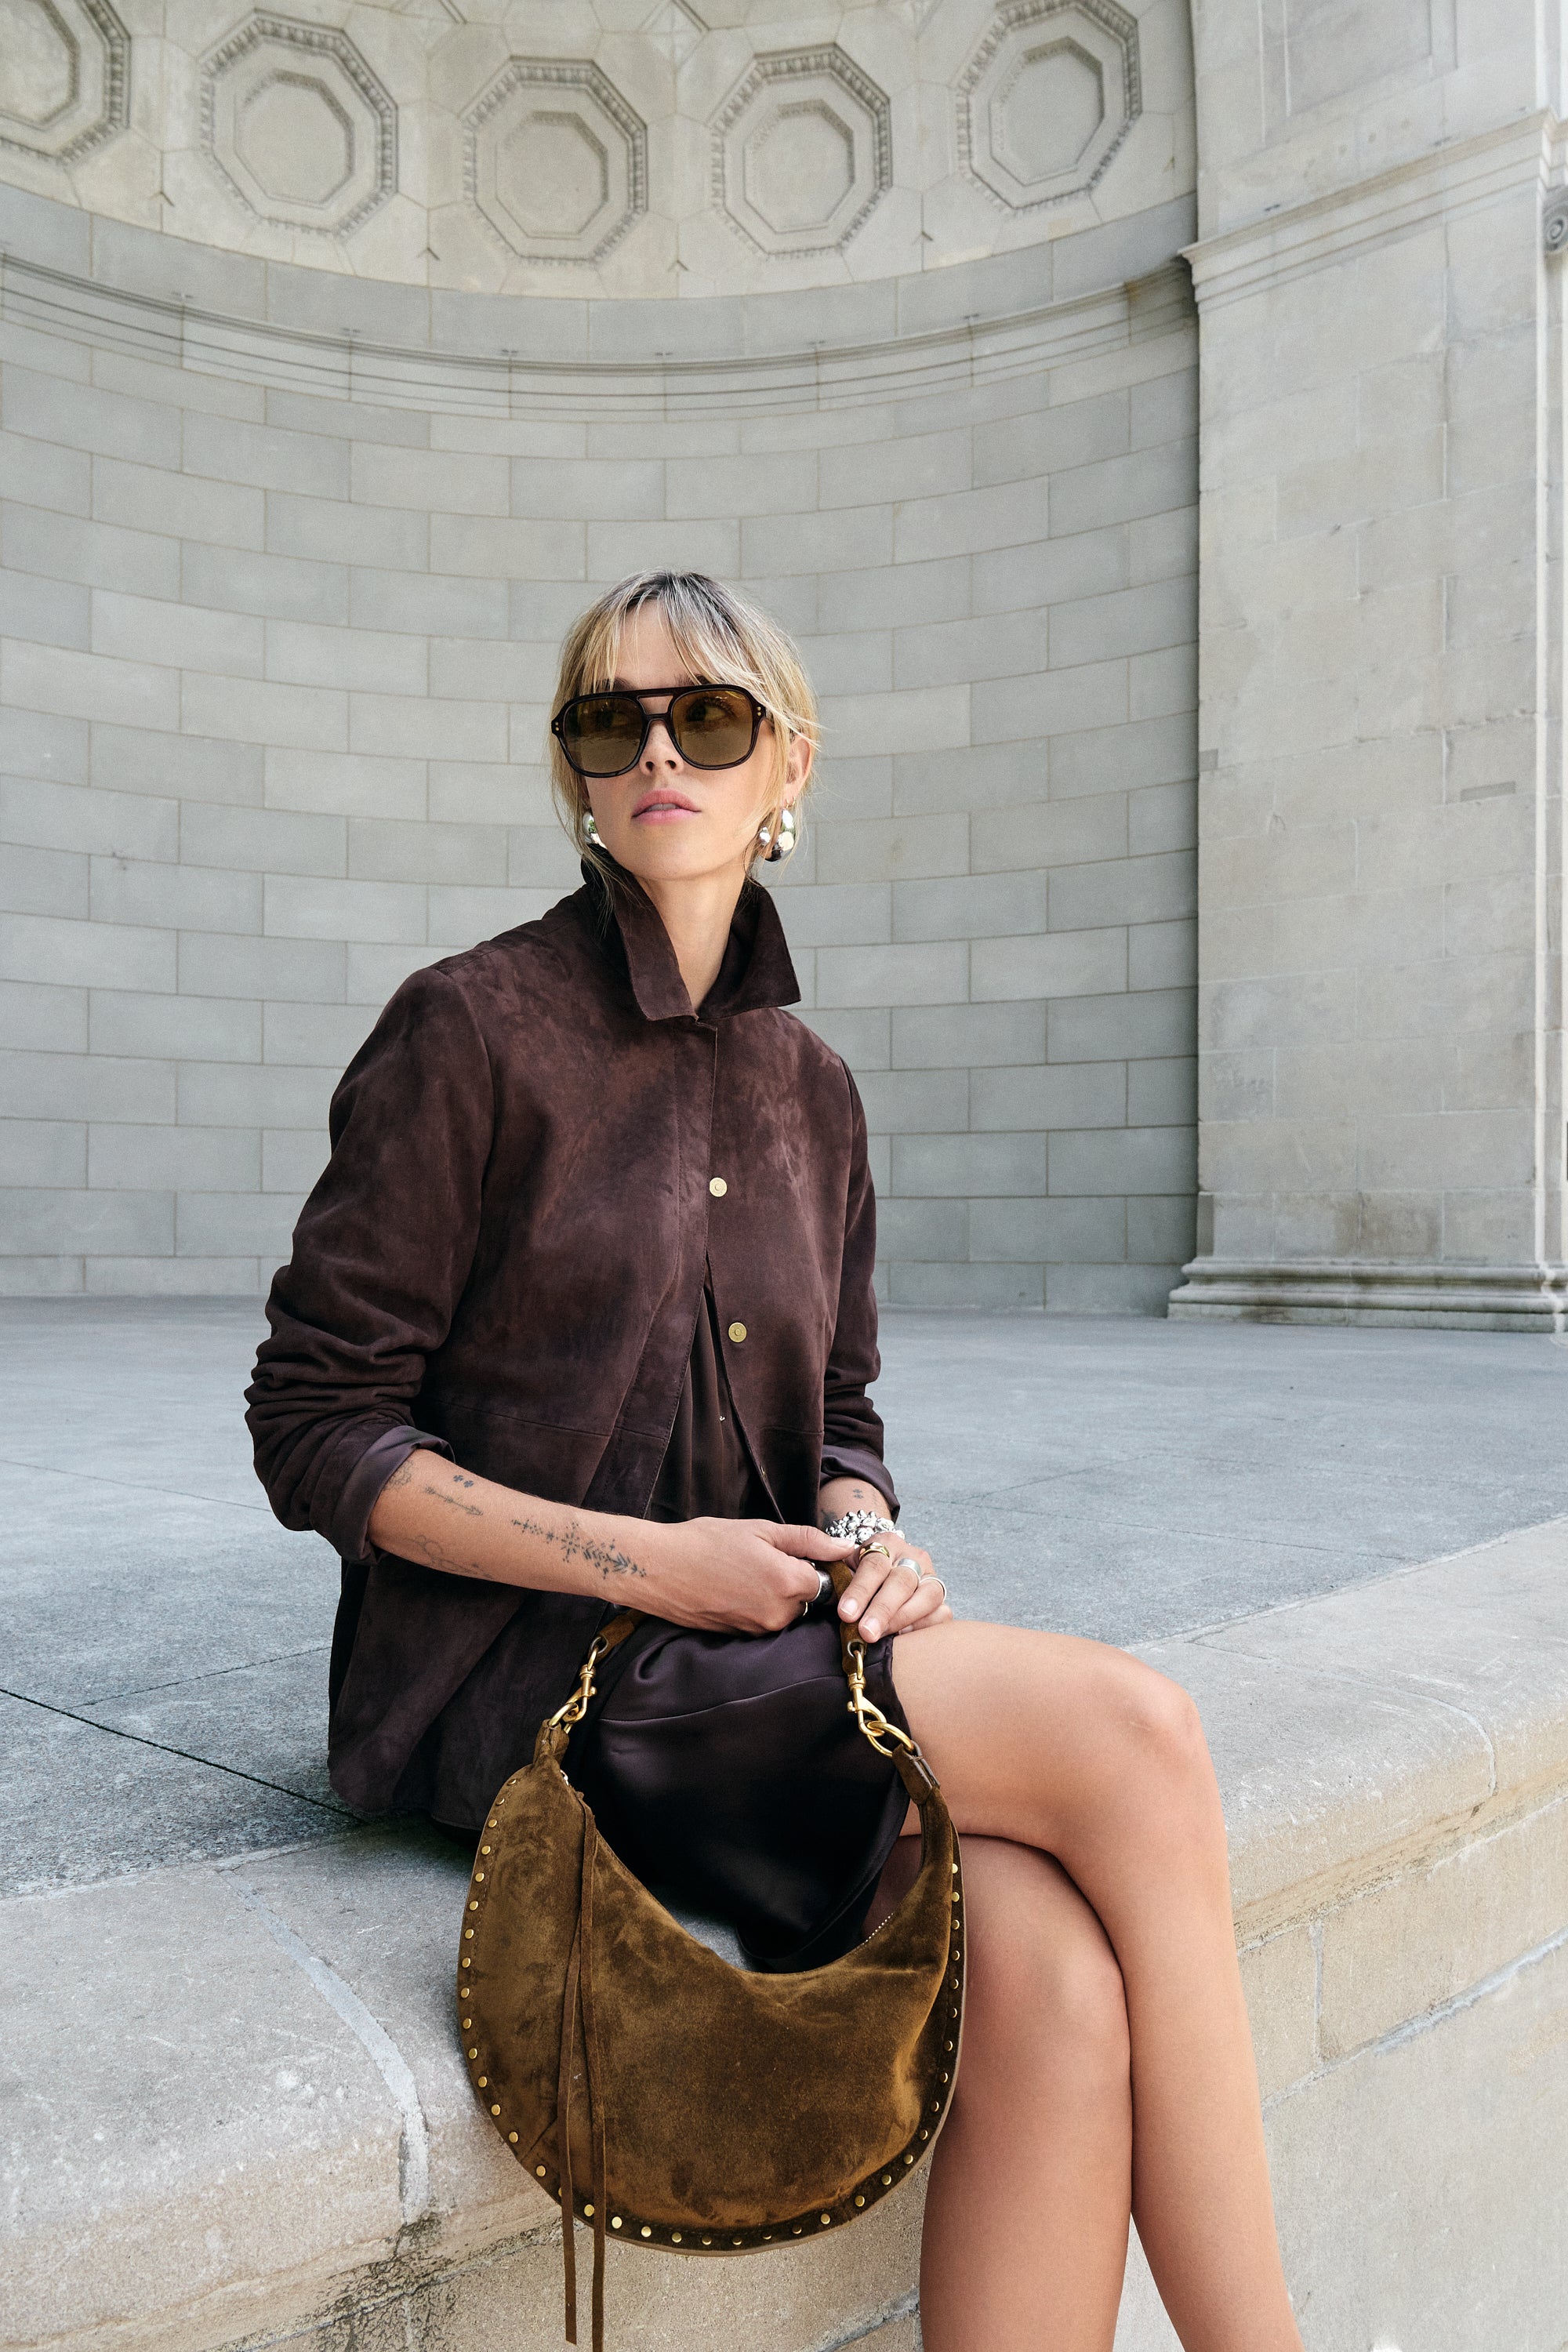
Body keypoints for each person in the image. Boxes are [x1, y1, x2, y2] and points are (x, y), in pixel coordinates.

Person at [246, 569, 1305, 2352]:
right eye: (612, 720)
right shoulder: (469, 1029)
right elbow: (315, 1423)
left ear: (786, 764)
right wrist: (648, 1563)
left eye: (709, 716)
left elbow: (845, 1416)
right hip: (537, 1684)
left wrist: (866, 1529)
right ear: (577, 773)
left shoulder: (814, 1088)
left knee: (1052, 1980)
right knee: (1140, 1735)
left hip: (763, 1662)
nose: (660, 751)